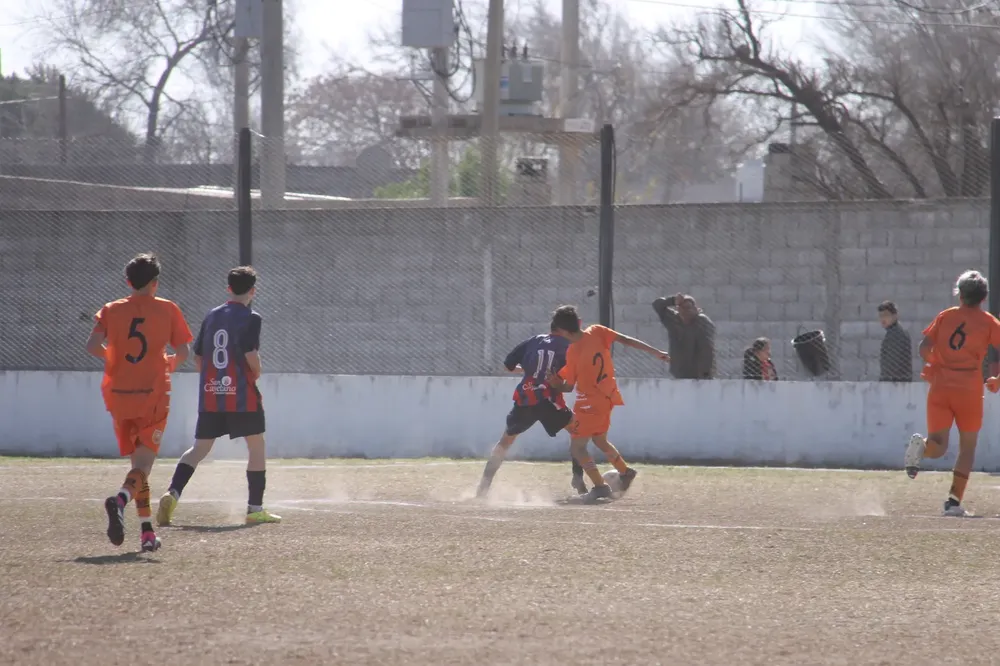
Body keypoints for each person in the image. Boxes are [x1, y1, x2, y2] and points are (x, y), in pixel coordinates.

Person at [156, 266, 281, 526]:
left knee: (199, 448)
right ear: (253, 291)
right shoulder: (251, 317)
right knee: (256, 446)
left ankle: (172, 492)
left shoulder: (212, 316)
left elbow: (199, 357)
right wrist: (255, 372)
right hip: (241, 394)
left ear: (228, 288)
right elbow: (250, 355)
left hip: (212, 393)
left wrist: (214, 378)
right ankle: (255, 509)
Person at [86, 253, 193, 552]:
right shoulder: (168, 309)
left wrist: (117, 359)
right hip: (152, 395)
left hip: (118, 396)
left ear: (128, 282)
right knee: (143, 467)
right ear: (156, 283)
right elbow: (183, 351)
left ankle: (146, 532)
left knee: (138, 467)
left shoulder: (111, 310)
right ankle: (119, 500)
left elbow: (92, 346)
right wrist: (166, 364)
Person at [546, 305, 670, 503]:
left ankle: (600, 486)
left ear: (562, 331)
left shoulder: (573, 352)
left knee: (577, 448)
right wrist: (655, 352)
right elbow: (626, 340)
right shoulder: (597, 331)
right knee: (599, 440)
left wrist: (555, 384)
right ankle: (625, 471)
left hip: (589, 402)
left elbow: (568, 387)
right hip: (608, 396)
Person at [904, 270, 1000, 517]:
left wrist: (938, 362)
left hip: (940, 385)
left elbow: (923, 348)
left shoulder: (945, 316)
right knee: (967, 447)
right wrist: (996, 378)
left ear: (960, 294)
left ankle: (921, 447)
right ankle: (953, 502)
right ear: (983, 296)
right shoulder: (989, 322)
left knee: (937, 445)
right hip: (968, 387)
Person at [476, 317, 575, 498]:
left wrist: (527, 369)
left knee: (505, 441)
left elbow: (508, 366)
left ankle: (482, 488)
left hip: (525, 398)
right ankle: (580, 482)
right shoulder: (568, 346)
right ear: (564, 330)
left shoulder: (534, 340)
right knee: (578, 432)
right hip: (548, 399)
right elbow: (571, 375)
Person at [652, 293, 715, 379]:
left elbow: (706, 349)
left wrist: (705, 374)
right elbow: (657, 304)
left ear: (696, 309)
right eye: (682, 308)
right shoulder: (674, 320)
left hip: (698, 373)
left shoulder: (701, 321)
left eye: (688, 308)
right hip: (679, 372)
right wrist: (673, 300)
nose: (685, 311)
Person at [878, 301, 913, 382]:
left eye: (886, 315)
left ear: (894, 316)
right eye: (881, 316)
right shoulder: (893, 332)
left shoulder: (896, 334)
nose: (883, 319)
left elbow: (892, 364)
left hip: (895, 383)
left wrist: (885, 380)